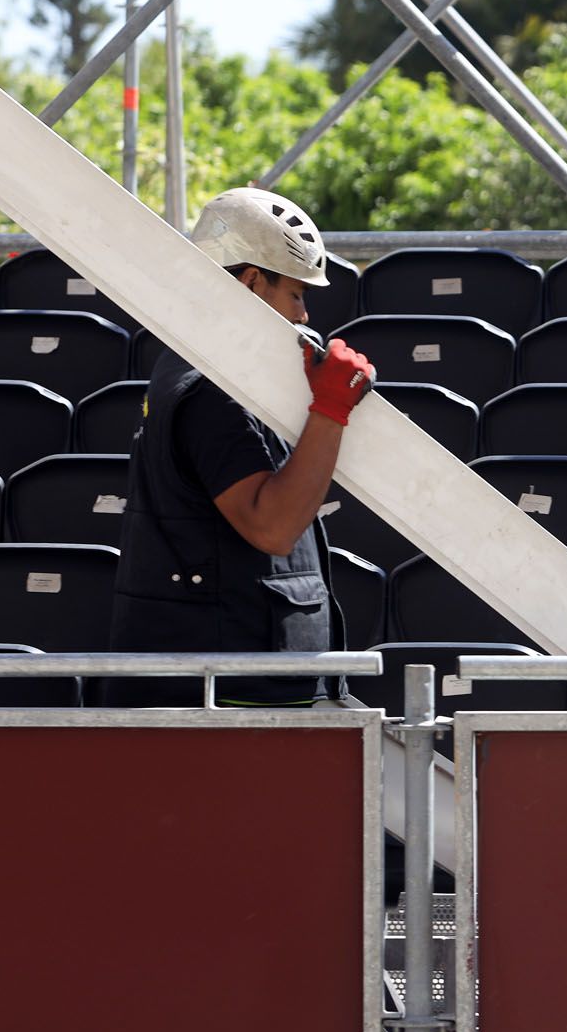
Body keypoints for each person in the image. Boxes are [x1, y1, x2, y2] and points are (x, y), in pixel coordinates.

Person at [107, 187, 376, 706]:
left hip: (232, 682)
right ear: (252, 281)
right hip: (229, 695)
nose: (302, 315)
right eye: (296, 294)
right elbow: (271, 526)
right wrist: (331, 411)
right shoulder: (212, 391)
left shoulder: (197, 366)